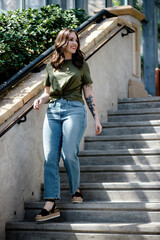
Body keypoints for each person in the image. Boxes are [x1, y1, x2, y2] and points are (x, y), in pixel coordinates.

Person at [33, 28, 102, 222]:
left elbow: (88, 92)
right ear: (61, 42)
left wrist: (96, 118)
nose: (75, 43)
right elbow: (48, 93)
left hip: (74, 110)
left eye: (76, 40)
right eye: (70, 40)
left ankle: (75, 188)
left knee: (69, 153)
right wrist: (40, 99)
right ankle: (50, 203)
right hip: (53, 111)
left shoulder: (82, 65)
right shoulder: (51, 66)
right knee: (49, 157)